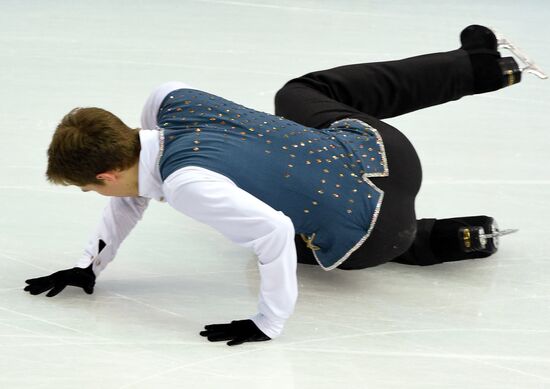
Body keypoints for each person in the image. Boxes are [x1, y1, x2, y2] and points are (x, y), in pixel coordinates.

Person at [24, 25, 545, 346]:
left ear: (106, 174)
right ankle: (480, 66)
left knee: (275, 242)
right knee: (303, 94)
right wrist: (92, 264)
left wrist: (267, 323)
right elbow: (134, 193)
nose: (101, 198)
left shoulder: (187, 184)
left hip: (377, 236)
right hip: (386, 154)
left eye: (92, 190)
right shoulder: (168, 100)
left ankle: (433, 239)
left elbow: (272, 232)